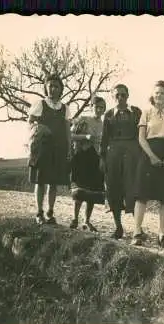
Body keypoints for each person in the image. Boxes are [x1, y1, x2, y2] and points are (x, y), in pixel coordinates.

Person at [132, 81, 164, 248]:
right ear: (152, 95)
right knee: (142, 195)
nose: (159, 96)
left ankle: (162, 234)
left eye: (163, 93)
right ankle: (137, 232)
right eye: (157, 93)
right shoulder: (146, 113)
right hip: (148, 155)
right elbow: (141, 138)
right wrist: (151, 156)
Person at [100, 84, 143, 239]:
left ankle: (138, 227)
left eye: (123, 95)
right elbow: (104, 139)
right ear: (113, 97)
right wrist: (103, 158)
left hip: (132, 154)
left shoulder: (136, 112)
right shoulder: (109, 115)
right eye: (117, 95)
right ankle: (118, 226)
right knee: (113, 188)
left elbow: (142, 135)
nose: (120, 98)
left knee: (133, 188)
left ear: (128, 96)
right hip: (114, 155)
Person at [28, 73, 72, 225]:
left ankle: (50, 212)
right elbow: (31, 121)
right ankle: (39, 212)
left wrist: (69, 148)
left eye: (56, 86)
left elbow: (67, 130)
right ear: (46, 88)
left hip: (59, 147)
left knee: (53, 182)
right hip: (42, 147)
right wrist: (39, 128)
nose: (53, 89)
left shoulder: (65, 108)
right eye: (50, 86)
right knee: (40, 181)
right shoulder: (41, 104)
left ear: (61, 90)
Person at [69, 95, 107, 232]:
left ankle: (87, 221)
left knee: (92, 192)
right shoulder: (83, 120)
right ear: (91, 107)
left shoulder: (104, 125)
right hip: (82, 157)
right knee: (80, 189)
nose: (99, 110)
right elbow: (70, 136)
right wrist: (86, 136)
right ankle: (75, 218)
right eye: (97, 107)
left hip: (95, 159)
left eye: (102, 108)